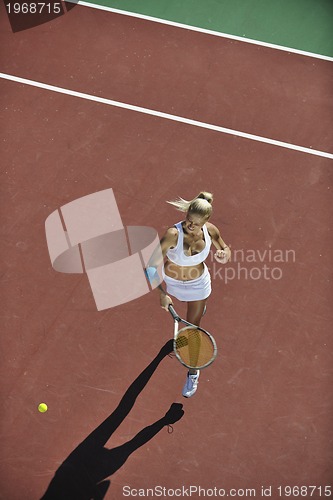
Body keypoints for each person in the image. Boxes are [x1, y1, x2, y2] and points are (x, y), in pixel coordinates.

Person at [146, 192, 231, 398]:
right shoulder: (173, 235)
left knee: (193, 330)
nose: (190, 225)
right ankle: (199, 307)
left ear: (206, 222)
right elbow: (149, 266)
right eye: (188, 220)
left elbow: (226, 250)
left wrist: (223, 256)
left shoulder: (211, 232)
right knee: (193, 321)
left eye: (195, 223)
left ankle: (193, 371)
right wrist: (161, 294)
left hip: (198, 285)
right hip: (173, 284)